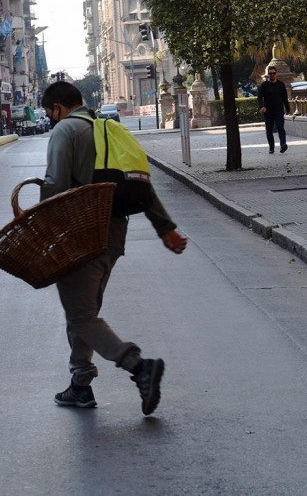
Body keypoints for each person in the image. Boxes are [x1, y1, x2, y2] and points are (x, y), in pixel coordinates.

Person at [40, 81, 188, 415]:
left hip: (80, 235)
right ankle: (80, 383)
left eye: (49, 113)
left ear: (57, 108)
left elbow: (55, 184)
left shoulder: (65, 130)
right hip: (113, 236)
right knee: (84, 311)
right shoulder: (108, 129)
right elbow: (140, 183)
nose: (50, 118)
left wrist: (41, 227)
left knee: (81, 315)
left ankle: (138, 366)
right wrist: (165, 228)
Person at [256, 66, 290, 154]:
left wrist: (287, 108)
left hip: (279, 110)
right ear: (268, 74)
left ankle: (283, 144)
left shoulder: (281, 84)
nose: (272, 75)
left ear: (276, 74)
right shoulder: (264, 85)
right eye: (270, 73)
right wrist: (262, 106)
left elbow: (284, 97)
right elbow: (259, 97)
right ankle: (271, 147)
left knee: (280, 127)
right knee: (269, 130)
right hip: (268, 111)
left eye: (273, 73)